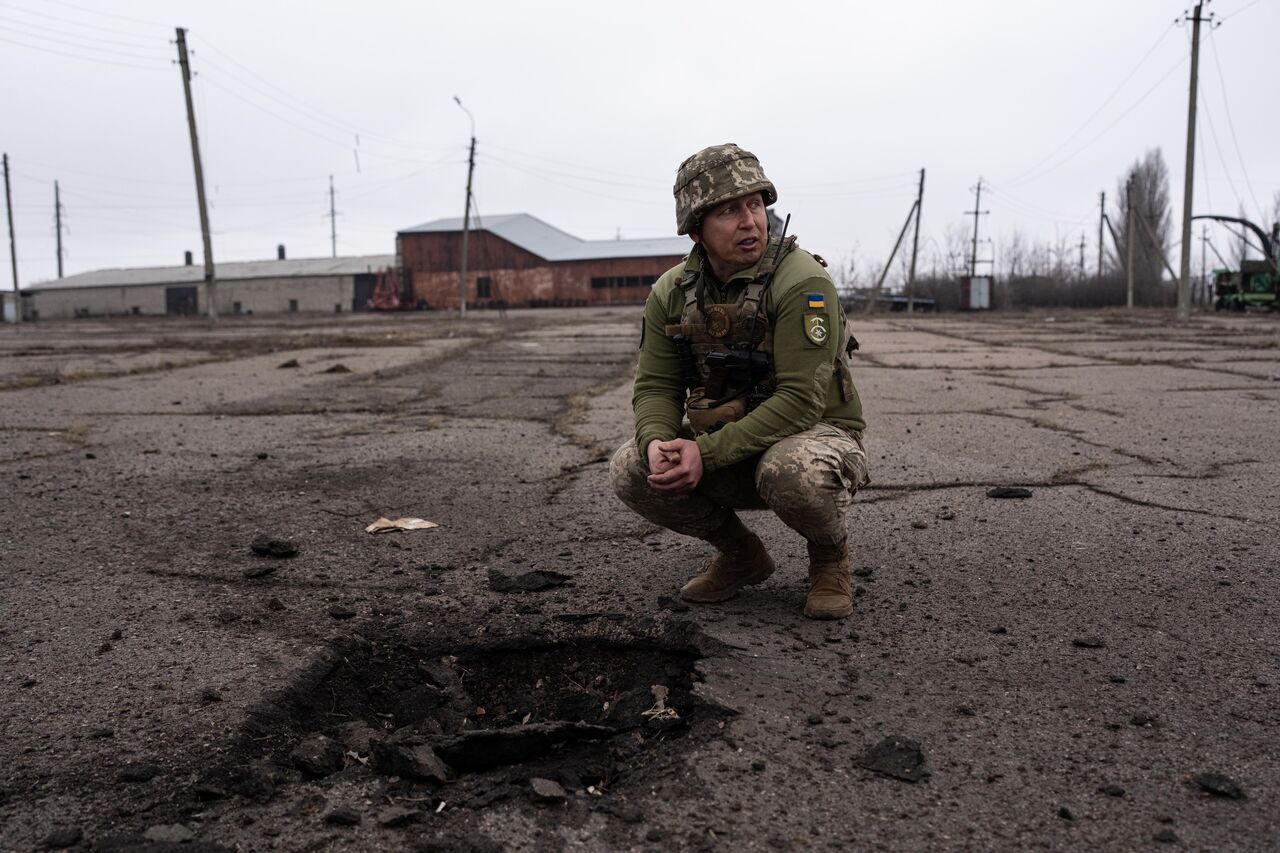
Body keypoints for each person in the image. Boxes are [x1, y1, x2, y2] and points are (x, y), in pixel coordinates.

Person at [609, 143, 869, 620]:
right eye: (730, 211)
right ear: (695, 229)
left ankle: (830, 559)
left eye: (755, 205)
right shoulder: (670, 292)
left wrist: (702, 454)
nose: (750, 221)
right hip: (727, 443)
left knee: (793, 472)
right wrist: (659, 443)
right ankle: (741, 555)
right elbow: (656, 387)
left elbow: (800, 402)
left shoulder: (802, 281)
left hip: (812, 439)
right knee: (632, 467)